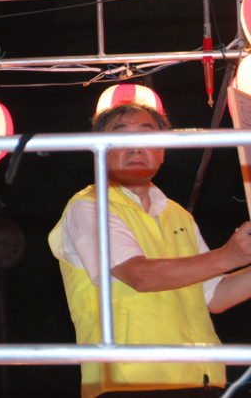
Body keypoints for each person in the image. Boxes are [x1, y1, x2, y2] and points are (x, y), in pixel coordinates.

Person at [48, 102, 251, 397]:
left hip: (202, 379)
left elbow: (216, 296)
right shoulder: (88, 206)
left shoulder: (178, 214)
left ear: (162, 149)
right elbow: (139, 276)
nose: (135, 147)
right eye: (121, 137)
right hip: (128, 382)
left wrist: (234, 259)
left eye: (146, 136)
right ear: (98, 150)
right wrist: (229, 256)